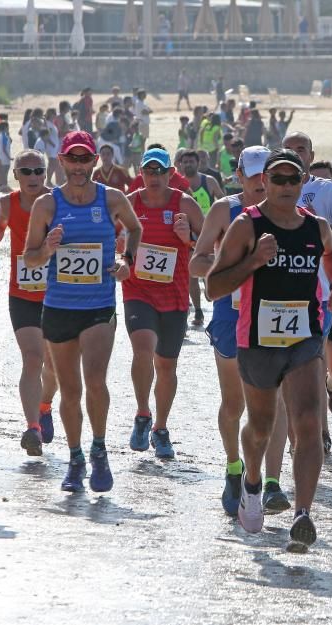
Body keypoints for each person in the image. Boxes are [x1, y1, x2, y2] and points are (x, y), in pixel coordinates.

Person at [205, 149, 332, 552]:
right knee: (262, 426)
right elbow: (213, 287)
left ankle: (303, 512)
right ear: (263, 182)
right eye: (279, 179)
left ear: (303, 183)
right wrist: (254, 260)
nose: (287, 187)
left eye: (294, 179)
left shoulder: (315, 226)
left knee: (307, 423)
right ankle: (252, 482)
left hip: (304, 339)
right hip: (257, 341)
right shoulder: (245, 225)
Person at [22, 130, 142, 493]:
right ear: (62, 161)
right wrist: (47, 249)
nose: (78, 166)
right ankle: (75, 458)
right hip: (58, 307)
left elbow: (135, 229)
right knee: (69, 391)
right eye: (72, 159)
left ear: (94, 161)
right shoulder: (47, 204)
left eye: (84, 159)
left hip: (98, 306)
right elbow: (30, 256)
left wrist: (127, 260)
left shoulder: (112, 198)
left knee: (95, 380)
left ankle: (100, 450)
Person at [191, 146, 291, 514]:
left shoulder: (291, 214)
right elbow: (196, 263)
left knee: (274, 401)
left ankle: (272, 482)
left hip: (277, 316)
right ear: (239, 176)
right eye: (252, 175)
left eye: (267, 174)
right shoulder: (225, 210)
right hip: (231, 316)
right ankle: (234, 468)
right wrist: (235, 266)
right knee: (236, 404)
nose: (260, 181)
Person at [283, 131, 332, 455]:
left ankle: (331, 389)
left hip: (328, 291)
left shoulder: (325, 190)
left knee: (331, 369)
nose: (295, 154)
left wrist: (320, 234)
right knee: (295, 365)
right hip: (284, 293)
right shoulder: (271, 190)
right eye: (289, 149)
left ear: (311, 156)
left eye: (301, 149)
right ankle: (309, 434)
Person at [124, 148, 203, 459]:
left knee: (166, 364)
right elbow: (113, 238)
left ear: (170, 173)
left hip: (174, 296)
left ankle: (161, 427)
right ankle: (142, 415)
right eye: (148, 171)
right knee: (142, 350)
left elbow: (212, 242)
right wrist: (120, 250)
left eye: (160, 171)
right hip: (137, 291)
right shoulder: (131, 203)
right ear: (141, 174)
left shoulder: (183, 203)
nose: (154, 177)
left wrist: (189, 239)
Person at [0, 150, 59, 455]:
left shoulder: (57, 201)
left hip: (58, 294)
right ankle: (32, 428)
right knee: (32, 358)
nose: (32, 177)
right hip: (23, 294)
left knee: (54, 365)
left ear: (46, 173)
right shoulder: (7, 202)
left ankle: (44, 406)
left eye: (38, 171)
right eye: (25, 171)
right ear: (15, 174)